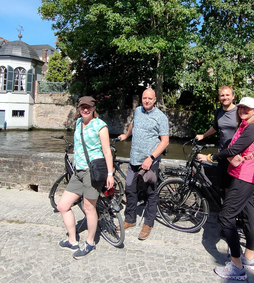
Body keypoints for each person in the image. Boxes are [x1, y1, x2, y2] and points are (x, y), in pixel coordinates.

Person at [198, 97, 254, 281]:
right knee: (248, 215)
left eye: (247, 108)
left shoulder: (253, 127)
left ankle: (237, 266)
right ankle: (249, 258)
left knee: (226, 217)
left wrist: (211, 157)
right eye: (241, 107)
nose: (243, 110)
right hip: (247, 176)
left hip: (243, 177)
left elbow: (234, 149)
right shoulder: (249, 125)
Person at [56, 96, 114, 259]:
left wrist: (110, 174)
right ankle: (72, 240)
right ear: (79, 108)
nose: (85, 109)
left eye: (88, 107)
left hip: (92, 172)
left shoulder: (100, 126)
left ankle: (90, 243)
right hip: (78, 172)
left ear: (94, 108)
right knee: (63, 206)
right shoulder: (78, 123)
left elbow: (107, 151)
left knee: (89, 208)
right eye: (82, 107)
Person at [118, 88, 169, 240]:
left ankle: (148, 223)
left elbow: (165, 141)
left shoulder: (161, 117)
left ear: (155, 100)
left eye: (150, 98)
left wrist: (151, 157)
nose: (147, 100)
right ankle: (130, 219)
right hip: (134, 159)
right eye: (144, 98)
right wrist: (126, 135)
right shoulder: (138, 111)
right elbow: (133, 124)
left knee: (150, 193)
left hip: (149, 162)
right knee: (130, 188)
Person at [196, 85, 237, 190]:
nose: (225, 97)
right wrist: (203, 136)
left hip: (236, 155)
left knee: (235, 187)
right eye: (222, 95)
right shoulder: (219, 112)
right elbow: (215, 127)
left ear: (233, 97)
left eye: (228, 95)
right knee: (224, 186)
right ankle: (225, 206)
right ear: (219, 98)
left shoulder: (239, 112)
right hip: (223, 153)